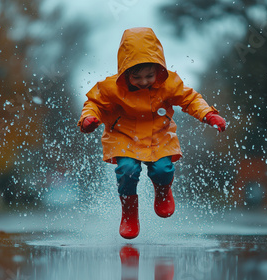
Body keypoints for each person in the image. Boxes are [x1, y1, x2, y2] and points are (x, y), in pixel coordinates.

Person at [78, 27, 226, 239]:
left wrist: (209, 115)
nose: (144, 81)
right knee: (127, 170)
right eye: (137, 77)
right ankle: (129, 211)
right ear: (125, 72)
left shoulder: (168, 84)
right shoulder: (112, 88)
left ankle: (163, 191)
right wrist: (88, 120)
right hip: (124, 136)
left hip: (159, 135)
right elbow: (94, 104)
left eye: (150, 75)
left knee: (163, 169)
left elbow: (190, 99)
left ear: (159, 69)